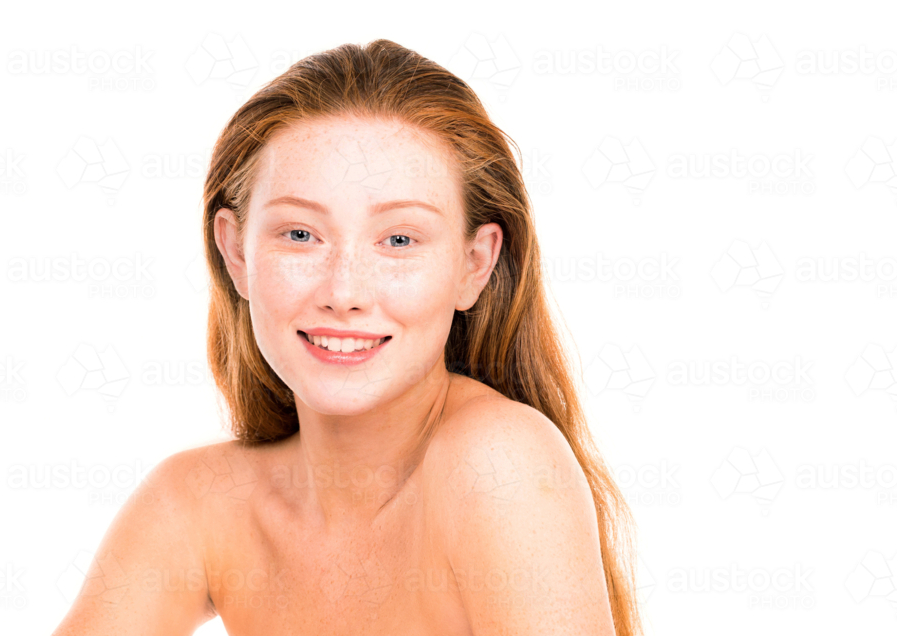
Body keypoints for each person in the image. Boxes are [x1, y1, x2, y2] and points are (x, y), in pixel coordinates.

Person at [52, 39, 640, 635]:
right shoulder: (196, 503)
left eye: (400, 240)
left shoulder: (498, 464)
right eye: (301, 234)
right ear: (236, 253)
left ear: (474, 264)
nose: (344, 291)